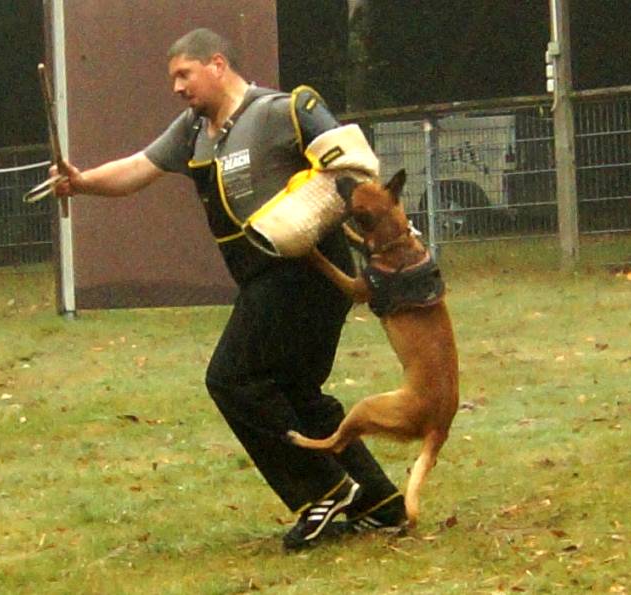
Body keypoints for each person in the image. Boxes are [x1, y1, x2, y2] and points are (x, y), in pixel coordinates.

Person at [51, 27, 405, 550]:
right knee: (296, 393)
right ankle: (378, 504)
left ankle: (323, 492)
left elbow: (355, 165)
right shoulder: (193, 130)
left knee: (232, 379)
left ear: (217, 65)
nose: (177, 87)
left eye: (184, 74)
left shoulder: (282, 110)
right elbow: (138, 169)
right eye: (173, 78)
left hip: (307, 271)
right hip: (262, 277)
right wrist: (81, 183)